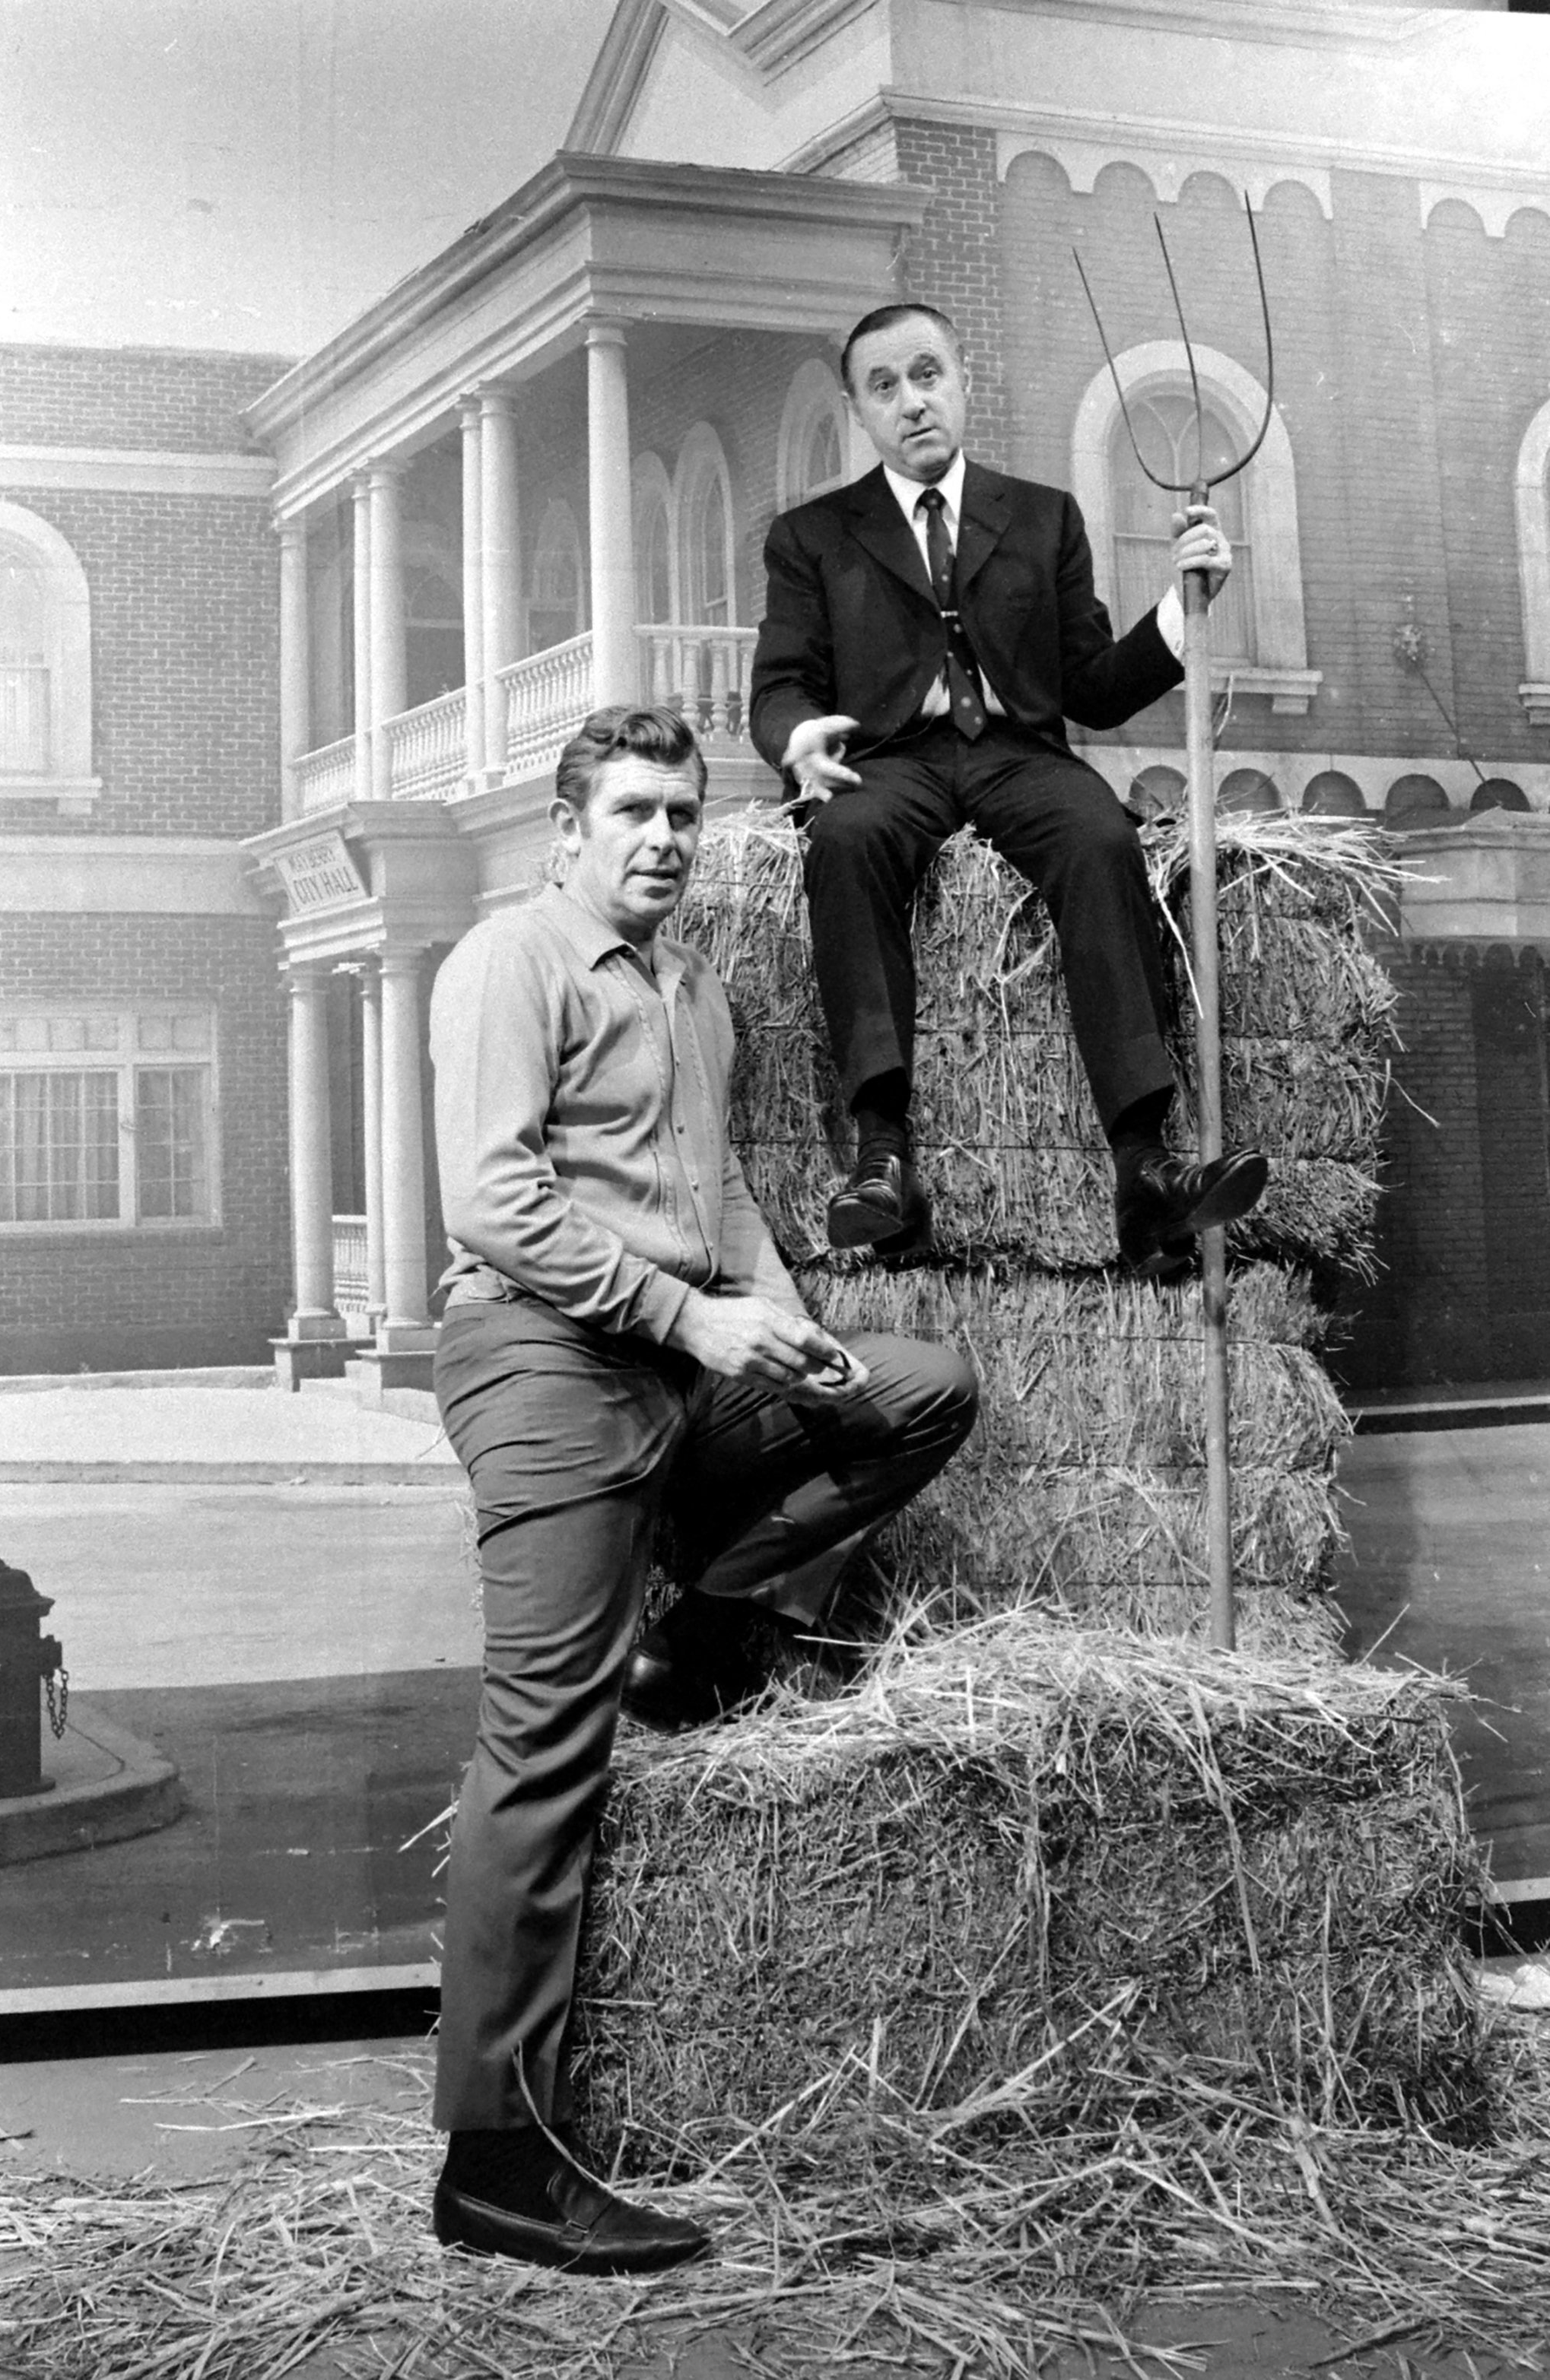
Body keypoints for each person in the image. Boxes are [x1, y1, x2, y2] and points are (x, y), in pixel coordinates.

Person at [425, 704, 977, 2277]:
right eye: (635, 813)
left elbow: (719, 1191)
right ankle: (497, 2156)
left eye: (684, 811)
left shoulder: (692, 985)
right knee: (545, 1737)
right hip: (543, 1358)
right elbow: (493, 1195)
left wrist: (783, 1316)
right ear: (566, 828)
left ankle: (714, 1611)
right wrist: (690, 1318)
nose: (666, 837)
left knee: (919, 1387)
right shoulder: (509, 961)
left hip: (684, 1363)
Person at [749, 301, 1268, 1274]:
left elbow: (1093, 692)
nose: (912, 402)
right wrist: (797, 739)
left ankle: (1144, 1172)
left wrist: (1181, 604)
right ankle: (881, 1161)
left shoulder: (1041, 517)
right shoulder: (812, 537)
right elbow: (779, 685)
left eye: (928, 374)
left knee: (1101, 839)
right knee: (845, 841)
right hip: (890, 762)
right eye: (884, 387)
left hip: (1022, 757)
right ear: (859, 410)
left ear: (964, 379)